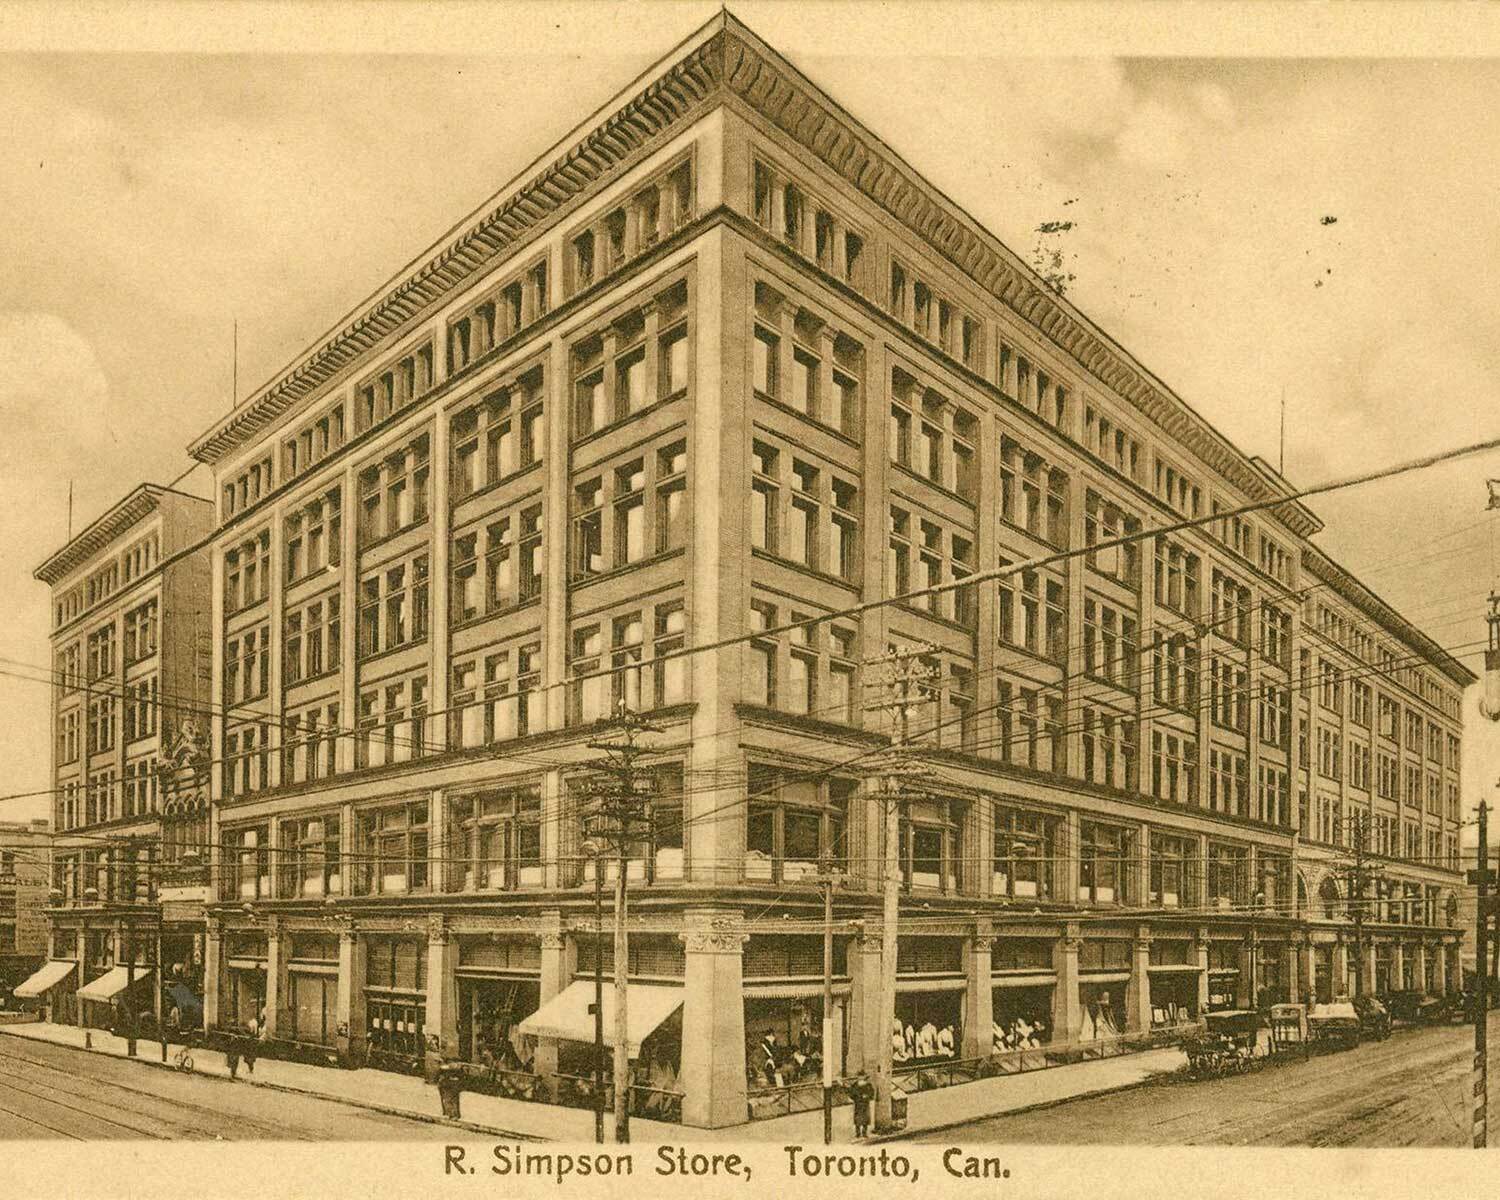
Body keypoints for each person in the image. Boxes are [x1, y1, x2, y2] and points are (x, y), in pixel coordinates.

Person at [849, 1070, 874, 1139]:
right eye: (859, 1076)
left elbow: (872, 1093)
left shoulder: (868, 1085)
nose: (861, 1078)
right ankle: (858, 1133)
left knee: (865, 1119)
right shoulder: (855, 1085)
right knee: (858, 1119)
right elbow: (851, 1094)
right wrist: (857, 1097)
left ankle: (864, 1133)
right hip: (858, 1104)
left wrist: (867, 1096)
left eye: (862, 1076)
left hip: (865, 1103)